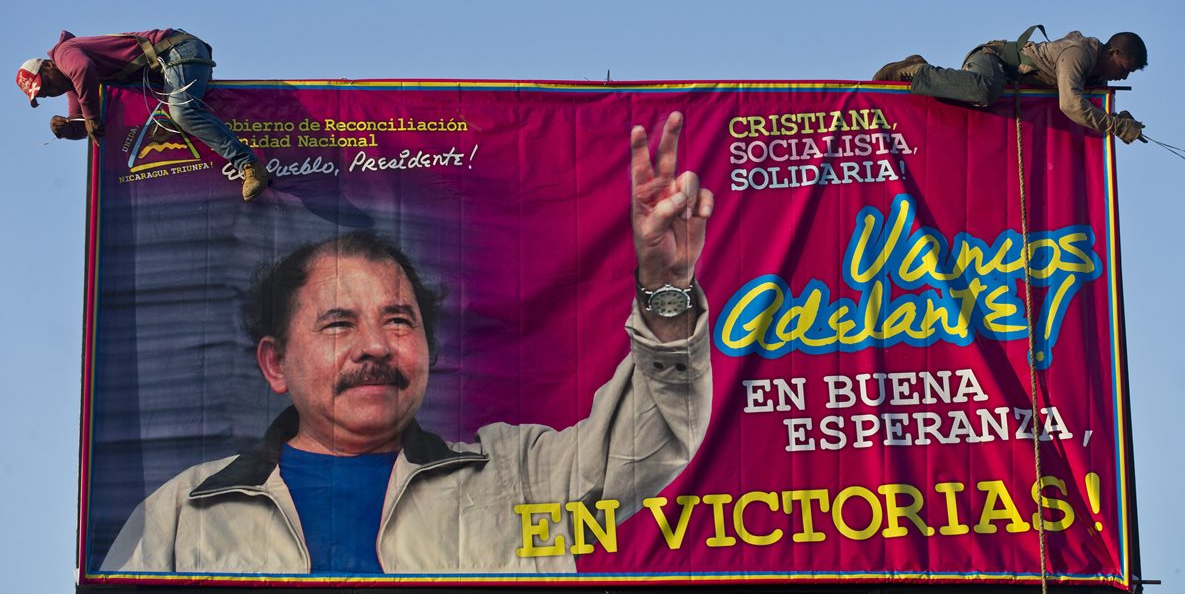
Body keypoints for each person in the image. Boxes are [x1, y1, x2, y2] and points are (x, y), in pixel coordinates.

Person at [101, 111, 715, 575]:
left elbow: (659, 434)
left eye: (399, 321)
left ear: (428, 349)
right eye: (338, 323)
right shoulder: (182, 515)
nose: (375, 346)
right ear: (275, 363)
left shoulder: (520, 477)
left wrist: (665, 285)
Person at [15, 29, 269, 200]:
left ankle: (249, 164)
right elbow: (84, 125)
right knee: (178, 117)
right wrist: (66, 129)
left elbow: (83, 69)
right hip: (174, 61)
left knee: (181, 113)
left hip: (177, 50)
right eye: (46, 95)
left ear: (48, 66)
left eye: (46, 85)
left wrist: (90, 115)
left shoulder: (64, 54)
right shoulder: (75, 85)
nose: (52, 92)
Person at [872, 28, 1148, 143]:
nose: (1123, 78)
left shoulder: (1097, 75)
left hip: (1011, 79)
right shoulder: (1078, 53)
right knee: (986, 91)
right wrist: (1115, 127)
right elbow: (1071, 104)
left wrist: (1117, 119)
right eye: (1124, 69)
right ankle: (916, 71)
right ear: (1112, 53)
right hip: (994, 60)